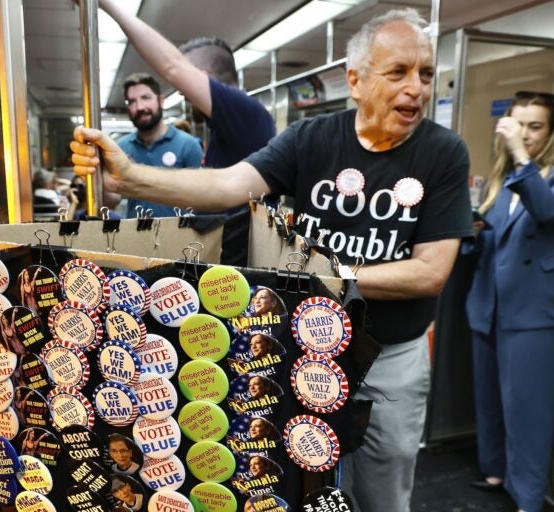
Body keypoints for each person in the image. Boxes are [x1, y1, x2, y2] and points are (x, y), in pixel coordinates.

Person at [71, 8, 472, 511]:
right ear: (355, 80)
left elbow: (430, 272)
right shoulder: (313, 139)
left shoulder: (444, 153)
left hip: (389, 359)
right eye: (398, 72)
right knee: (303, 485)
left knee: (383, 488)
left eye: (426, 73)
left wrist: (326, 278)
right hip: (305, 351)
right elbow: (227, 185)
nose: (416, 87)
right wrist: (130, 178)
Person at [464, 91, 554, 512]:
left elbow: (550, 212)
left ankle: (528, 497)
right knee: (490, 398)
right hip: (491, 302)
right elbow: (493, 236)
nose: (525, 134)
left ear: (552, 131)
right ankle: (495, 470)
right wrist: (470, 235)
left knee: (528, 408)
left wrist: (520, 156)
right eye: (518, 124)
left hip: (536, 309)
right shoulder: (501, 179)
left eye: (534, 126)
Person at [96, 0, 276, 266]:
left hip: (242, 263)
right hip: (223, 256)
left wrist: (107, 5)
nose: (180, 91)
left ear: (200, 77)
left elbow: (172, 67)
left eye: (185, 83)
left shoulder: (246, 112)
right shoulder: (228, 128)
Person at [114, 72, 203, 219]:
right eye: (132, 101)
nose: (140, 107)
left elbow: (200, 198)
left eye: (145, 98)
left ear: (161, 101)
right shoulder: (121, 148)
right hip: (135, 237)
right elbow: (112, 200)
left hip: (179, 236)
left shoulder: (188, 145)